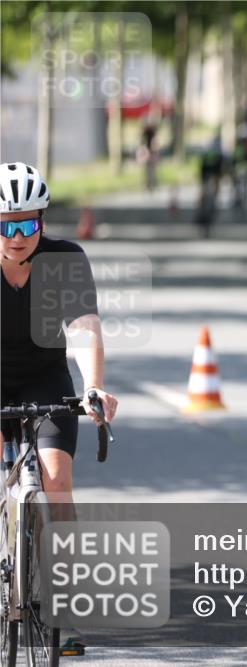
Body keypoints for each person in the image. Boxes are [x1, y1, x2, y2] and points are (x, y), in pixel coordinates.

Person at [0, 161, 118, 653]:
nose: (17, 235)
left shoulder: (65, 260)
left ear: (42, 222)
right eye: (6, 224)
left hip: (47, 380)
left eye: (28, 223)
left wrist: (93, 387)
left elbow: (85, 325)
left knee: (57, 478)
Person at [196, 133, 226, 236]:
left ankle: (200, 207)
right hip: (212, 173)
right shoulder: (219, 151)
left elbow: (202, 165)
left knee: (203, 192)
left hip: (207, 173)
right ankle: (209, 204)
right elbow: (222, 168)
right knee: (214, 189)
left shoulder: (207, 150)